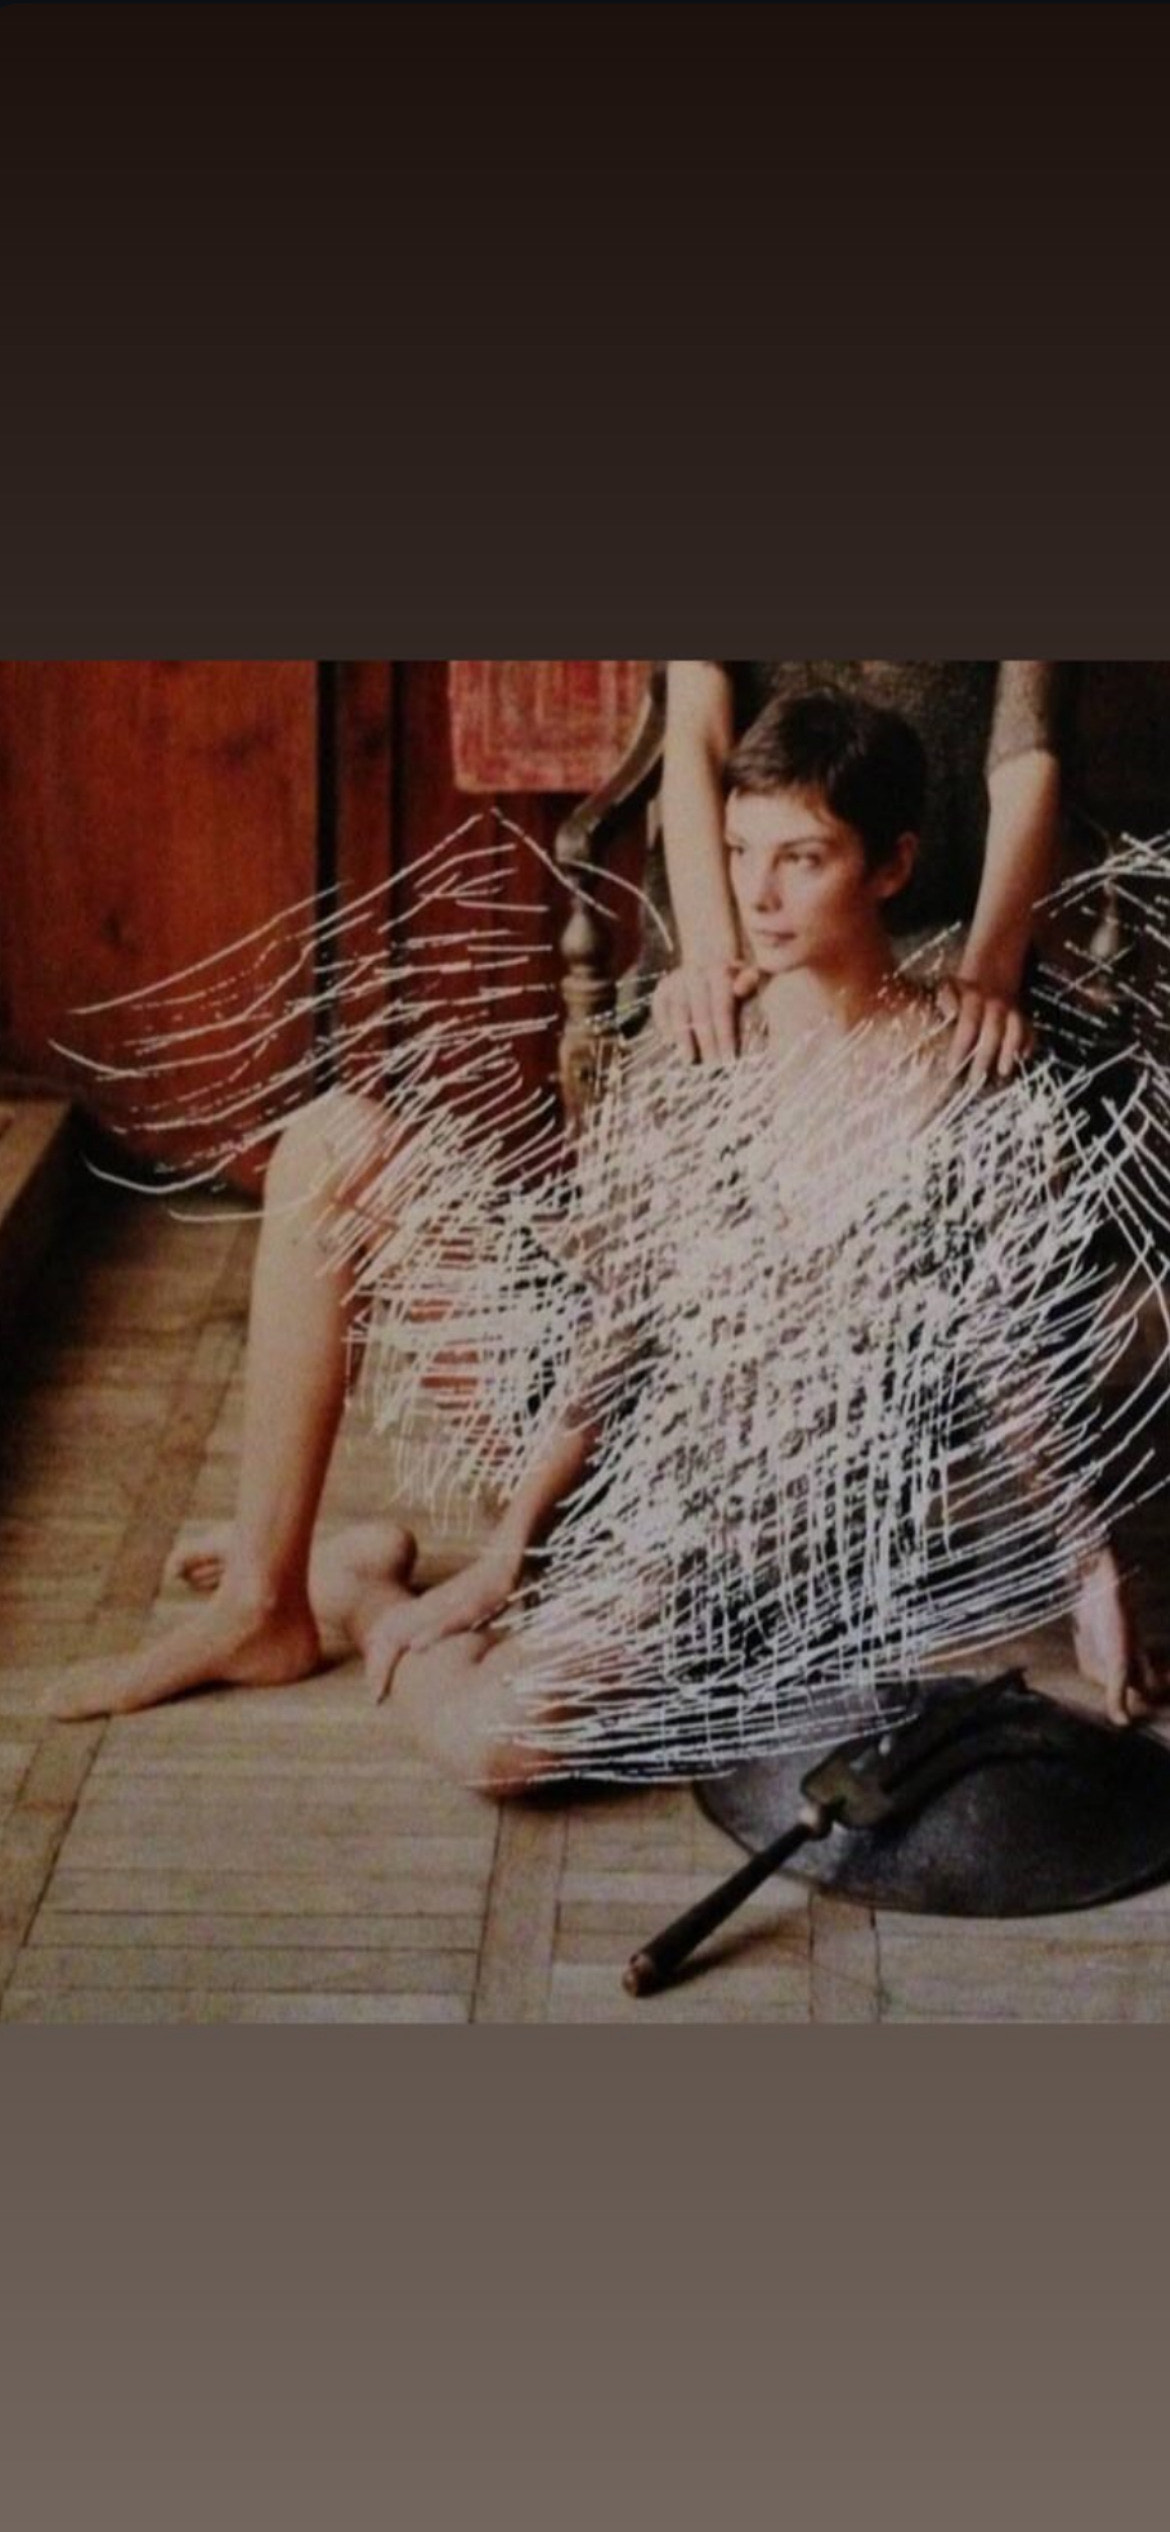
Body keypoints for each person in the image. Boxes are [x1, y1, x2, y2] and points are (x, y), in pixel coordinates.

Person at [52, 687, 1158, 1778]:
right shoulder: (700, 1047)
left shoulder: (963, 1079)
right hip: (594, 1439)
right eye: (740, 853)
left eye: (803, 860)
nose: (759, 896)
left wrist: (1091, 1569)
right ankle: (265, 1603)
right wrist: (505, 1554)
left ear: (891, 867)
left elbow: (1012, 1350)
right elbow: (618, 1324)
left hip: (732, 1517)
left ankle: (361, 1591)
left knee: (497, 1746)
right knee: (327, 1143)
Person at [653, 660, 1068, 1085]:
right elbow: (698, 731)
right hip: (733, 913)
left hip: (958, 914)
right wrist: (711, 958)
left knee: (987, 1064)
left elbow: (1026, 752)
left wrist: (988, 977)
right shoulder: (755, 889)